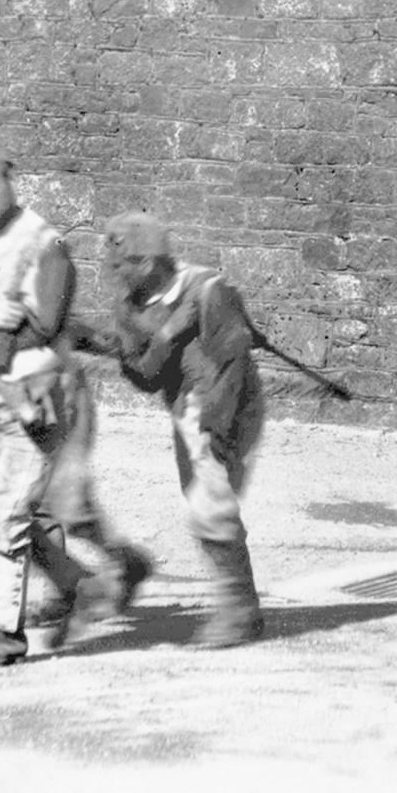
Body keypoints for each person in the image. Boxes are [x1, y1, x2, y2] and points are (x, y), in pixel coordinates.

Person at [0, 140, 137, 667]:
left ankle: (6, 634)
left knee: (13, 511)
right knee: (0, 515)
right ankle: (77, 582)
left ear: (9, 180)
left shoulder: (46, 244)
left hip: (40, 394)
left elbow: (45, 324)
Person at [98, 214, 266, 649]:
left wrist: (217, 421)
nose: (118, 274)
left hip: (227, 403)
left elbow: (233, 363)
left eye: (126, 265)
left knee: (209, 506)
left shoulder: (209, 290)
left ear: (151, 261)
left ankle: (238, 613)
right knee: (205, 501)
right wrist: (139, 348)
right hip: (185, 408)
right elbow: (148, 377)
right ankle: (242, 606)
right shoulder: (130, 309)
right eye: (115, 265)